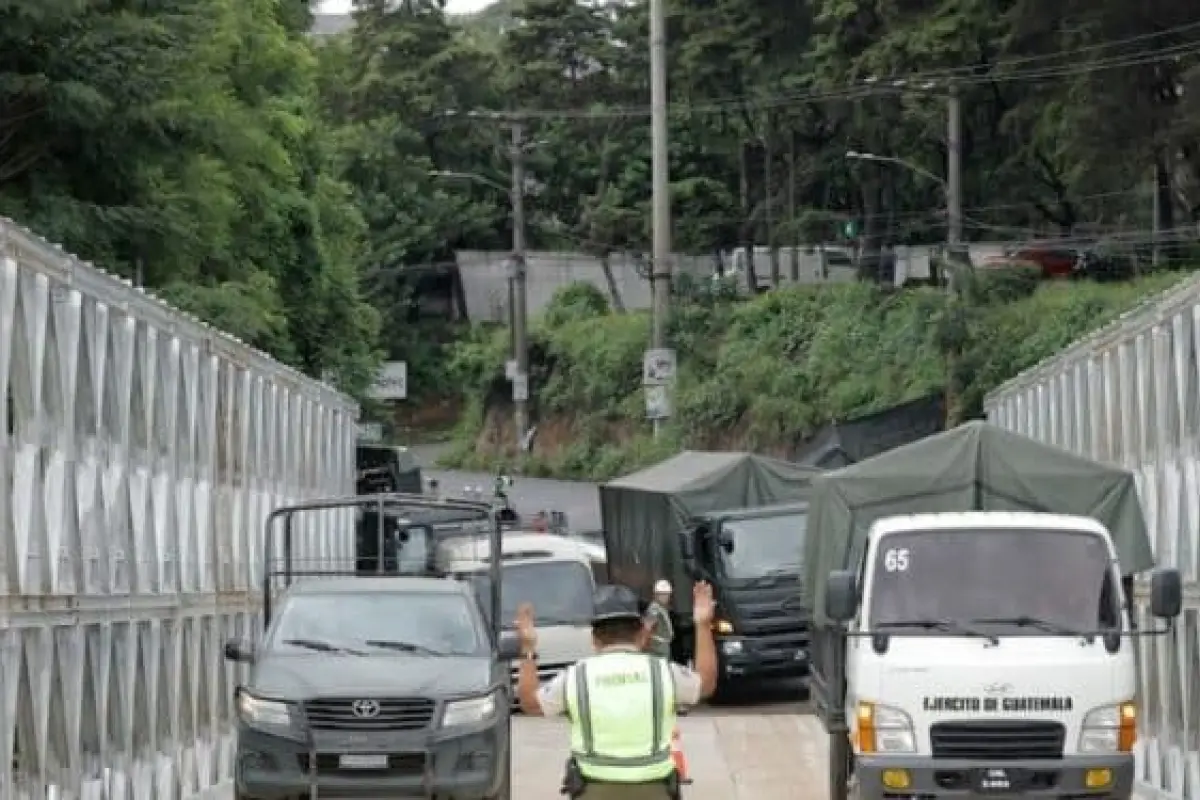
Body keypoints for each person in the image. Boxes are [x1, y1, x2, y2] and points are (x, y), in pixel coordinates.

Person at [515, 582, 718, 799]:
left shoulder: (576, 677)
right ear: (642, 634)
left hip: (593, 790)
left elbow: (530, 703)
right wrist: (703, 625)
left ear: (594, 639)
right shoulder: (663, 673)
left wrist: (528, 648)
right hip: (655, 790)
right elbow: (705, 684)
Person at [643, 580, 675, 660]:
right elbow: (647, 629)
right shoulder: (654, 609)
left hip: (663, 646)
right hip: (657, 649)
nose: (666, 597)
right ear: (656, 595)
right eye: (663, 595)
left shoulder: (662, 608)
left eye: (667, 595)